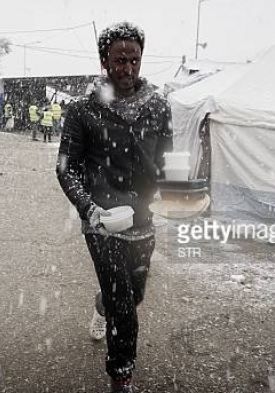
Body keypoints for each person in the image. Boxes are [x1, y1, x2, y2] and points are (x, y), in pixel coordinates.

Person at [56, 22, 172, 393]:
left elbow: (167, 158)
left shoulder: (158, 106)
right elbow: (66, 168)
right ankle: (121, 375)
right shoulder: (82, 110)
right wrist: (89, 208)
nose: (127, 69)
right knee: (124, 302)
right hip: (102, 220)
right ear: (104, 60)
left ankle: (101, 303)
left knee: (133, 294)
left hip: (143, 218)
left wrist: (175, 186)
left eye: (133, 60)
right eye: (119, 60)